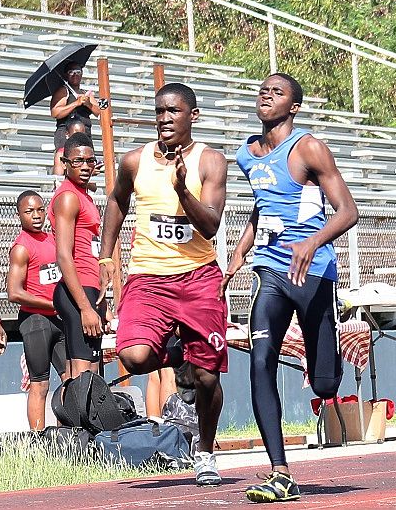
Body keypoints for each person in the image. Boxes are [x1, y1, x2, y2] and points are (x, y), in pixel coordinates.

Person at [219, 73, 358, 503]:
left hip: (314, 272)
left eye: (278, 92)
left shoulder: (308, 148)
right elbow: (262, 206)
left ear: (294, 107)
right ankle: (280, 472)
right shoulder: (246, 153)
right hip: (271, 271)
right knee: (259, 360)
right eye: (263, 89)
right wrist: (241, 250)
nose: (266, 95)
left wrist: (313, 241)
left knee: (324, 385)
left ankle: (328, 359)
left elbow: (348, 211)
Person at [97, 82, 228, 487]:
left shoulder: (211, 161)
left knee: (207, 377)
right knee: (133, 356)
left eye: (173, 111)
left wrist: (180, 190)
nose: (164, 119)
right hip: (148, 277)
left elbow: (209, 226)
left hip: (197, 277)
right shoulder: (135, 160)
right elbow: (117, 200)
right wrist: (106, 255)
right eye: (159, 111)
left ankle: (204, 452)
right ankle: (181, 355)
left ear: (193, 115)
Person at [7, 191, 67, 429]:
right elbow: (14, 292)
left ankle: (68, 434)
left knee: (69, 378)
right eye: (29, 211)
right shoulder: (21, 247)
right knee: (39, 383)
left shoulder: (52, 240)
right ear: (19, 215)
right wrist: (52, 304)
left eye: (40, 209)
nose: (36, 215)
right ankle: (38, 439)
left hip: (58, 319)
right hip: (35, 321)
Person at [48, 132, 104, 379]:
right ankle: (76, 420)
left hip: (89, 287)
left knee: (84, 374)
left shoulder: (84, 195)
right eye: (77, 161)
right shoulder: (68, 197)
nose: (85, 167)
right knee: (84, 376)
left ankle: (73, 419)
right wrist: (85, 308)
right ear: (64, 163)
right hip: (77, 290)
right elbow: (63, 255)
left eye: (90, 161)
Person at [50, 62, 100, 172]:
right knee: (63, 157)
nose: (75, 74)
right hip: (67, 132)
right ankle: (59, 183)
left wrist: (88, 104)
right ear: (66, 75)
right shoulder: (63, 91)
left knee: (85, 159)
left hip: (85, 132)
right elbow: (55, 112)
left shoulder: (85, 94)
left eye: (78, 72)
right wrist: (75, 103)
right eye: (71, 72)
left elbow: (99, 112)